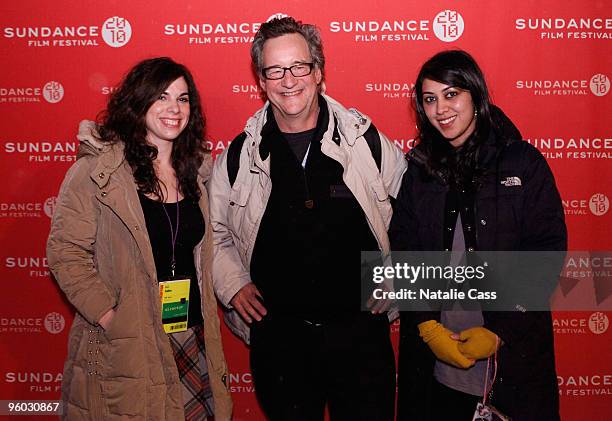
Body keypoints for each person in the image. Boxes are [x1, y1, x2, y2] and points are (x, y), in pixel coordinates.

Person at [209, 16, 406, 421]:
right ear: (261, 81)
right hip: (281, 345)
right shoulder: (238, 156)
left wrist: (399, 274)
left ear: (318, 72)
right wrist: (234, 284)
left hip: (361, 338)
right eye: (275, 70)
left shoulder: (366, 142)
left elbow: (415, 218)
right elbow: (215, 233)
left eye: (299, 66)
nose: (288, 80)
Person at [47, 57, 232, 420]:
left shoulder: (195, 172)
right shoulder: (97, 171)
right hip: (129, 341)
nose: (174, 109)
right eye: (162, 96)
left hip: (190, 335)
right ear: (139, 100)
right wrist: (109, 315)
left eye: (182, 99)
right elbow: (65, 251)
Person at [389, 50, 567, 420]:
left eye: (452, 94)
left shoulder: (523, 162)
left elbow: (545, 255)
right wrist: (425, 325)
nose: (441, 109)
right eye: (430, 99)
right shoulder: (419, 169)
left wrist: (500, 330)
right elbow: (404, 250)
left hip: (511, 363)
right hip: (436, 367)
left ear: (475, 94)